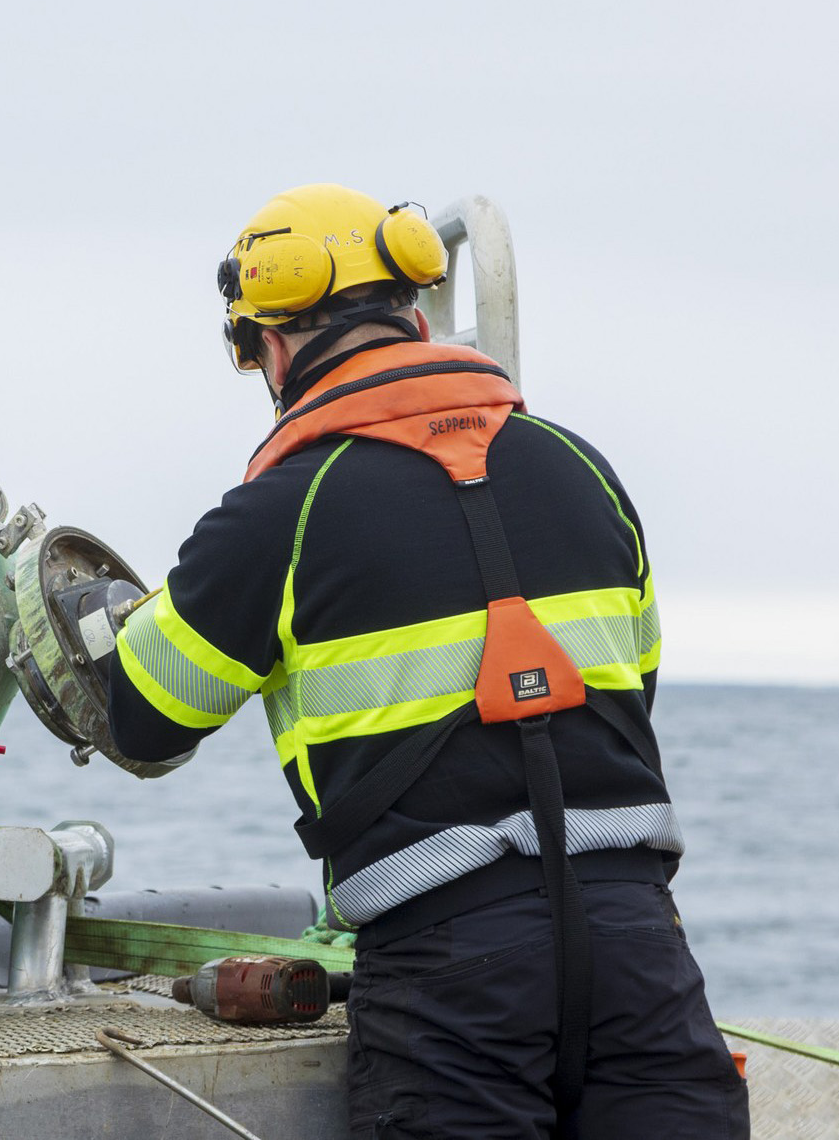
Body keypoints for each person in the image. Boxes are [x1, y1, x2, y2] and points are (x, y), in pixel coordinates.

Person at [99, 184, 749, 1138]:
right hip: (636, 944)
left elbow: (142, 719)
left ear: (271, 345)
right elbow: (630, 688)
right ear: (411, 310)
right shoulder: (585, 471)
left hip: (451, 963)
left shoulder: (278, 513)